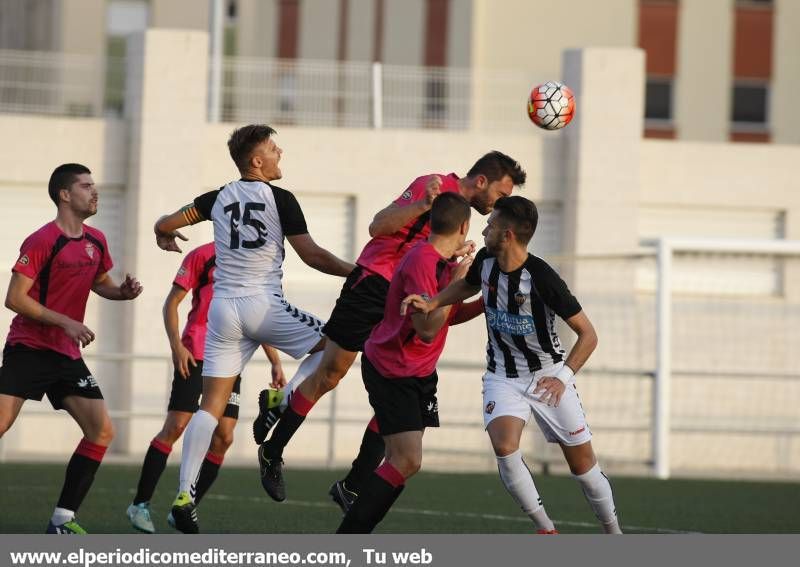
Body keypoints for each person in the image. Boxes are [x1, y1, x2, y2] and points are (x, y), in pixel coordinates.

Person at [255, 151, 527, 508]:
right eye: (501, 195)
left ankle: (352, 485)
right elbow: (378, 226)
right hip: (374, 283)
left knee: (397, 384)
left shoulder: (459, 223)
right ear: (481, 182)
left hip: (406, 298)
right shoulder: (435, 186)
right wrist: (420, 206)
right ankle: (273, 451)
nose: (498, 205)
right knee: (330, 373)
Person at [153, 124, 354, 533]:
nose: (280, 151)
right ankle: (280, 402)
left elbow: (167, 221)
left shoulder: (216, 197)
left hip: (223, 312)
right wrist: (358, 273)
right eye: (272, 148)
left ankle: (184, 496)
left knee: (210, 406)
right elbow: (312, 255)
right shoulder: (281, 199)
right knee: (336, 346)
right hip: (263, 307)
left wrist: (164, 232)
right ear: (257, 161)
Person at [401, 195, 623, 534]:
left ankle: (613, 532)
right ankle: (546, 529)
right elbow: (465, 285)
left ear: (507, 235)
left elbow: (588, 335)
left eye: (491, 225)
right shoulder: (487, 262)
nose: (485, 228)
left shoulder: (543, 277)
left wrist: (563, 378)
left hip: (549, 376)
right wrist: (432, 302)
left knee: (583, 468)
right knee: (505, 447)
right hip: (502, 376)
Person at [0, 163, 143, 534]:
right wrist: (65, 320)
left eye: (94, 186)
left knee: (101, 431)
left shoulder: (96, 241)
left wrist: (121, 293)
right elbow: (14, 298)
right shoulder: (42, 239)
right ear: (65, 195)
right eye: (85, 186)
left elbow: (101, 282)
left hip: (66, 355)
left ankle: (62, 519)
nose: (94, 192)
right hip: (28, 348)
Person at [336, 193, 483, 533]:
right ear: (464, 227)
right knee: (407, 459)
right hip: (393, 368)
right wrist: (460, 283)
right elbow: (427, 328)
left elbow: (446, 316)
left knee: (402, 460)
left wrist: (483, 301)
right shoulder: (422, 260)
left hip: (417, 371)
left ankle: (352, 501)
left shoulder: (439, 262)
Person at [126, 242, 285, 533]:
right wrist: (176, 347)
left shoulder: (253, 260)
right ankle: (140, 505)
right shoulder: (202, 254)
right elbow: (171, 303)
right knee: (176, 426)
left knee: (224, 437)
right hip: (196, 352)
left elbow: (256, 317)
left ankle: (185, 508)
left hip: (230, 359)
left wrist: (275, 360)